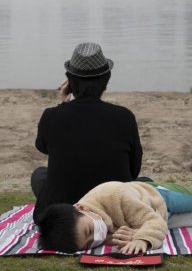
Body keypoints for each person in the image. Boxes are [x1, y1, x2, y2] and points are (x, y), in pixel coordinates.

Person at [31, 42, 143, 223]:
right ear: (106, 80)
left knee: (39, 175)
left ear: (70, 82)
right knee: (145, 183)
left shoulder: (51, 116)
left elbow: (43, 147)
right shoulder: (124, 117)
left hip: (62, 210)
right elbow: (133, 170)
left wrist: (64, 104)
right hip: (114, 210)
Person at [37, 180, 192, 254]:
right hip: (156, 219)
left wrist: (142, 239)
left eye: (89, 231)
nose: (97, 238)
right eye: (88, 243)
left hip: (158, 198)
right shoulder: (95, 226)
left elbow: (152, 222)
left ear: (81, 208)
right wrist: (131, 235)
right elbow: (152, 226)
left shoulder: (114, 195)